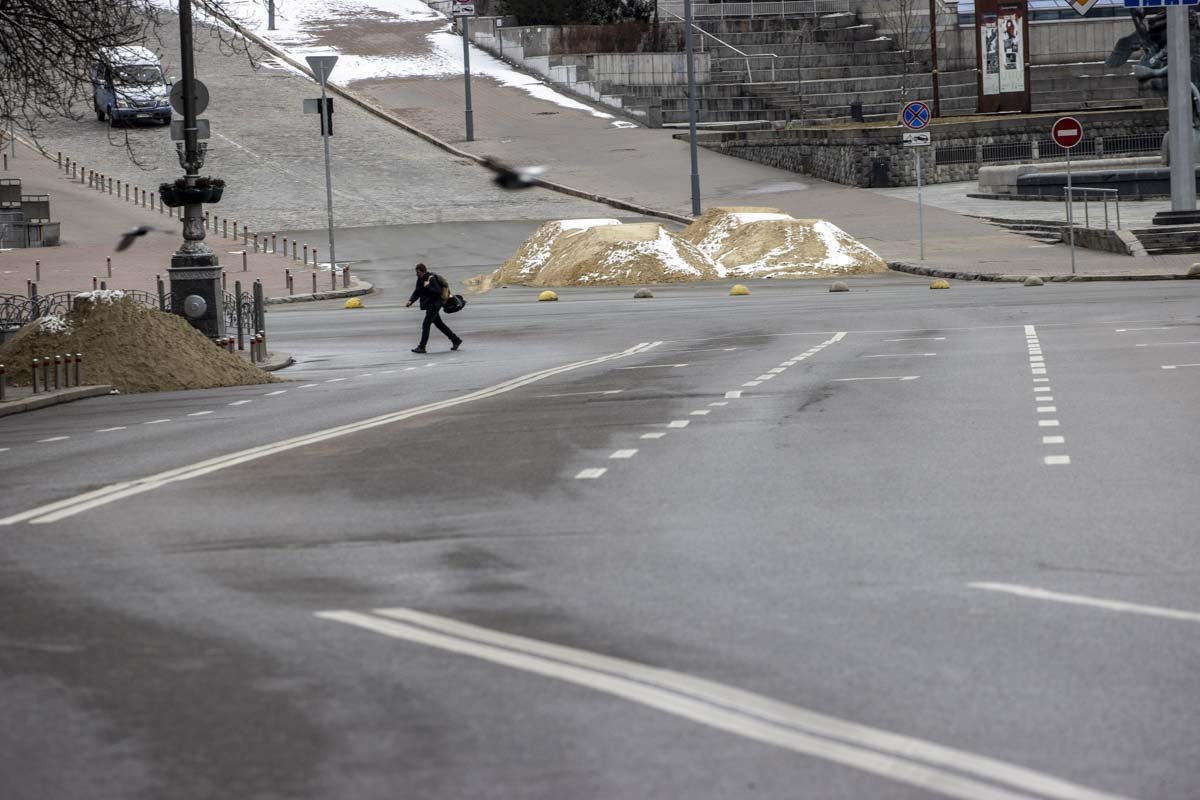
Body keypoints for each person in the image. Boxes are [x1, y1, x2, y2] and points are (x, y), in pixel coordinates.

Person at [406, 263, 461, 354]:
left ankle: (422, 346)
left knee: (426, 325)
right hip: (429, 305)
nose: (417, 274)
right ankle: (456, 340)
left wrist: (428, 286)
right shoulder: (420, 279)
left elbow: (438, 292)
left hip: (435, 305)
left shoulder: (431, 278)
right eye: (416, 272)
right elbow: (417, 291)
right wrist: (410, 301)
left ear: (423, 271)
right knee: (440, 325)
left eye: (418, 272)